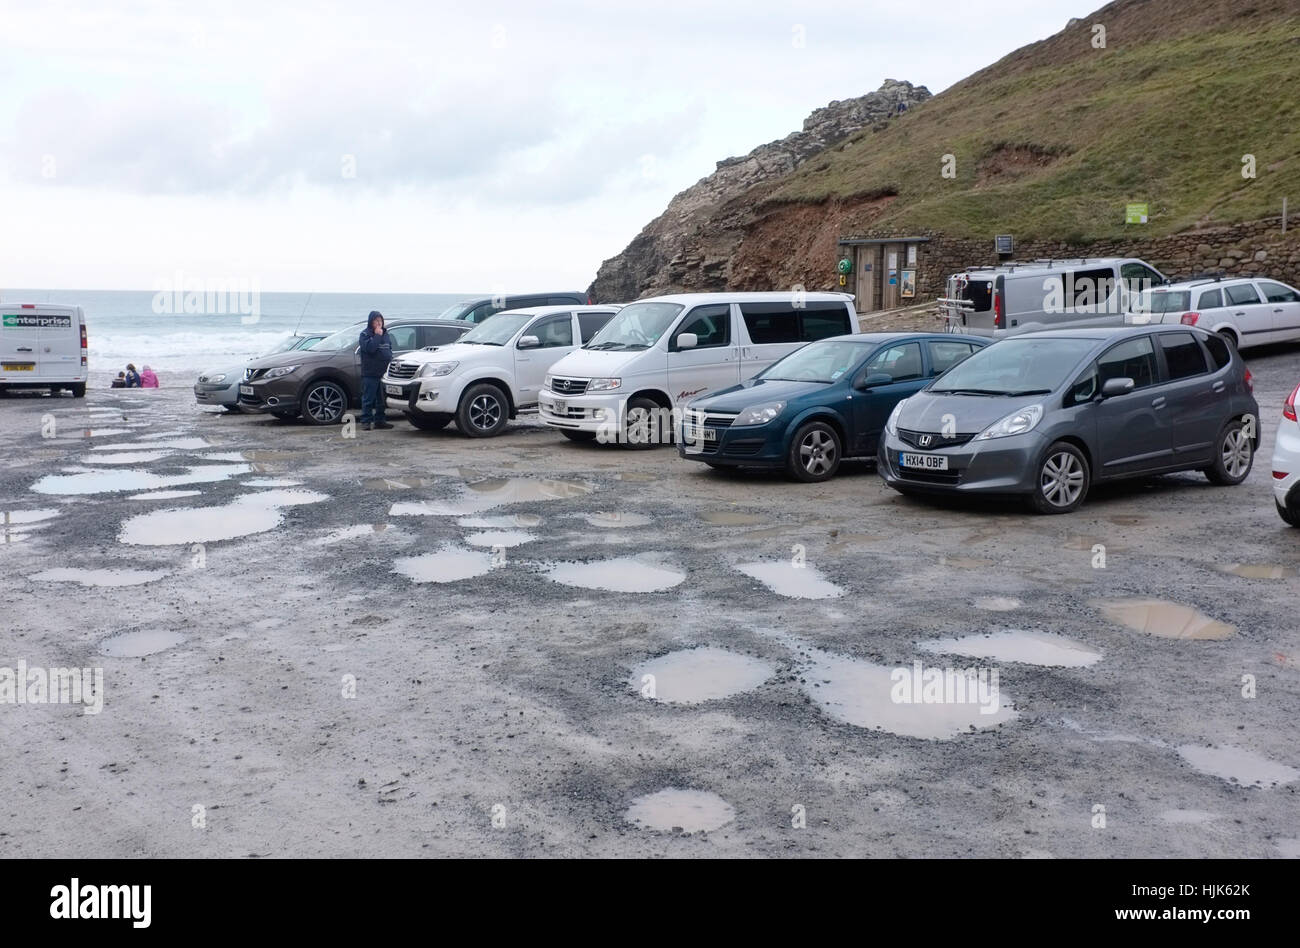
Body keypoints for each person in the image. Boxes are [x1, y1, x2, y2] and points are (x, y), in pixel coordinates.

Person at [357, 311, 394, 430]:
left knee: (381, 400)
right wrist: (377, 335)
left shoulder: (386, 333)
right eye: (376, 321)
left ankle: (380, 420)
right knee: (368, 398)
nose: (379, 323)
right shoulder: (365, 335)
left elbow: (389, 348)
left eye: (380, 321)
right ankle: (366, 421)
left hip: (383, 372)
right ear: (371, 322)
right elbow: (371, 348)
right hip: (370, 372)